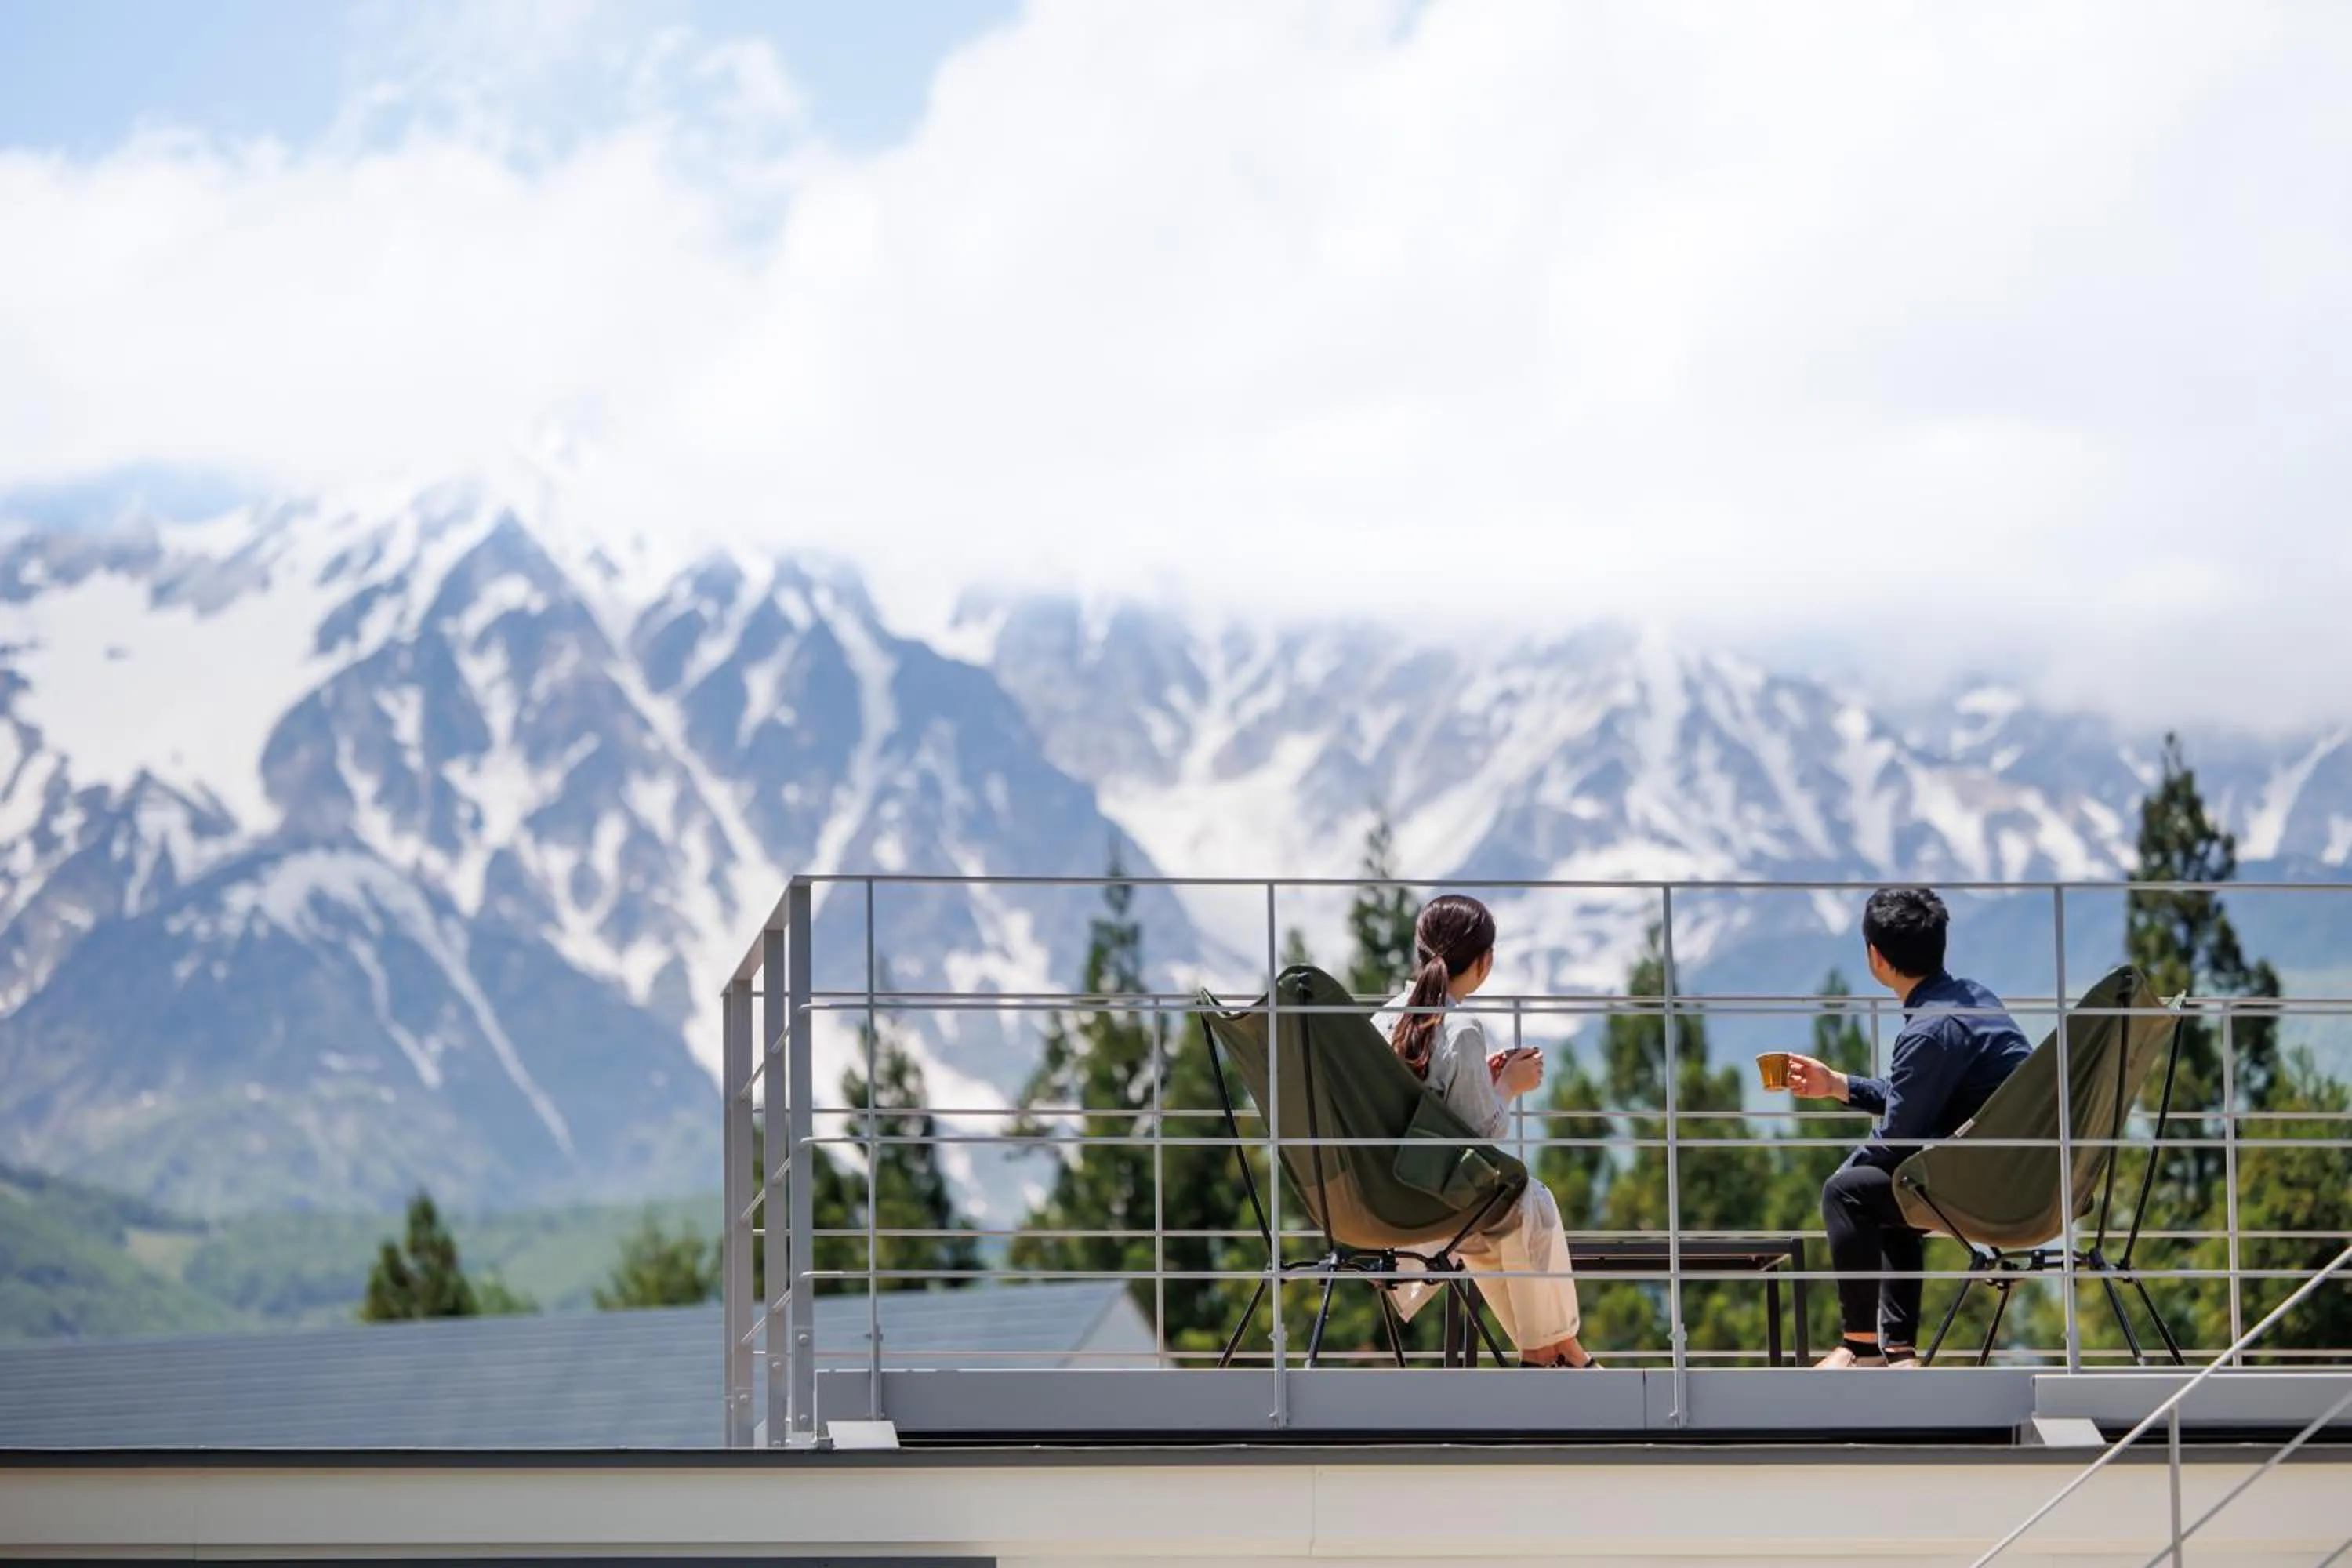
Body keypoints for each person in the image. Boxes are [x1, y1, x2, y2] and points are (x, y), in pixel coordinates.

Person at [1783, 886, 2031, 1368]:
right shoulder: (1972, 999)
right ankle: (1897, 1350)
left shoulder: (1929, 1031)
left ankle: (1859, 1347)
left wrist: (1845, 1174)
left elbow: (1898, 1137)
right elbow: (1918, 1103)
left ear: (1876, 957)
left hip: (1993, 1189)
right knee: (1891, 1185)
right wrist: (1837, 1084)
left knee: (1849, 1193)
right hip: (2028, 1174)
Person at [1370, 893, 1599, 1370]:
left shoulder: (1382, 1020)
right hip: (1436, 1206)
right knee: (1525, 1201)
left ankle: (1557, 1354)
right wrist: (1509, 1088)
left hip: (1382, 1198)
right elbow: (1479, 1139)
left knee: (1512, 1214)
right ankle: (1553, 1355)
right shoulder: (1462, 1028)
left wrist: (1486, 1083)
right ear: (1484, 962)